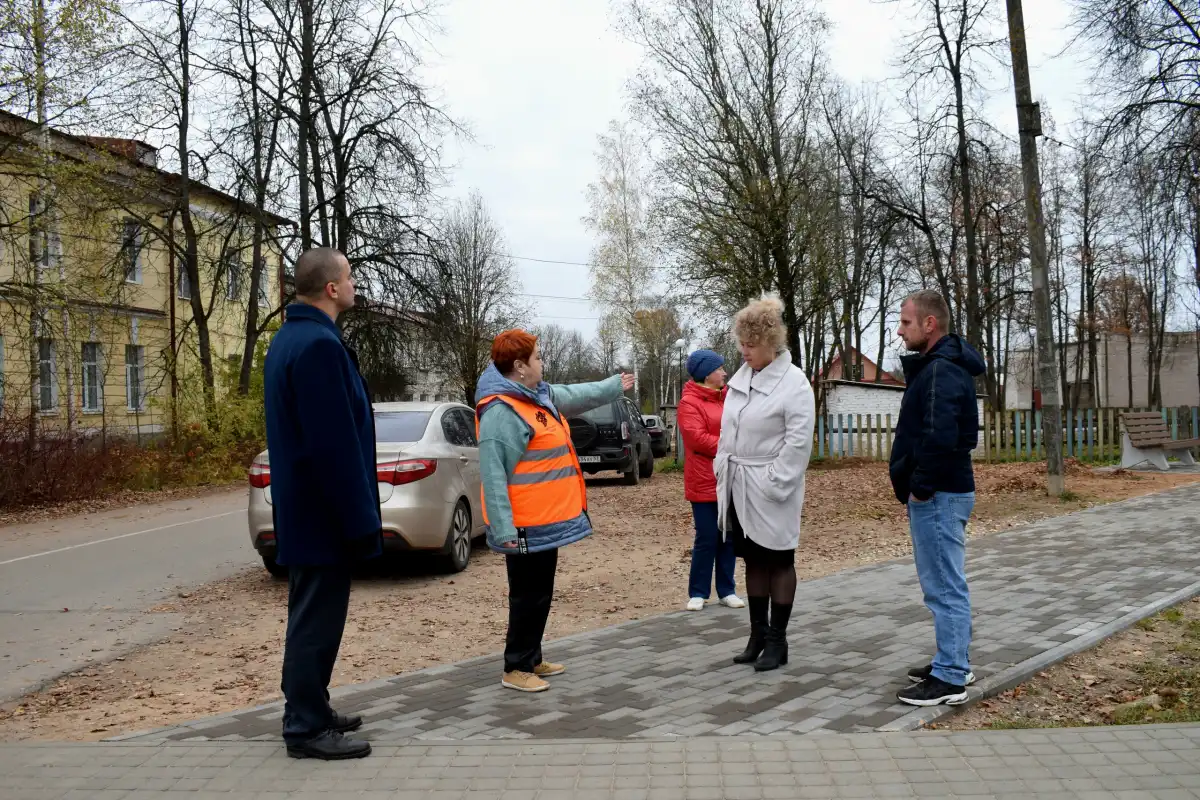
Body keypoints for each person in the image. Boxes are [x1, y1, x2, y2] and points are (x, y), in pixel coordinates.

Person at [263, 247, 380, 760]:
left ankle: (310, 706)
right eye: (350, 277)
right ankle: (305, 728)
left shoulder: (293, 339)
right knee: (316, 621)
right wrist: (359, 522)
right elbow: (333, 446)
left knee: (311, 617)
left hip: (308, 511)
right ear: (331, 288)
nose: (355, 284)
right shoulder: (317, 347)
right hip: (322, 516)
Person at [475, 330, 635, 693]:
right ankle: (515, 667)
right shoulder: (502, 411)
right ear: (519, 366)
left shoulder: (537, 397)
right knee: (527, 596)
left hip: (544, 523)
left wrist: (613, 385)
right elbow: (494, 476)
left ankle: (531, 657)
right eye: (538, 358)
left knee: (540, 593)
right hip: (523, 527)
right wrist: (503, 531)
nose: (542, 364)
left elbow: (579, 395)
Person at [889, 289, 986, 707]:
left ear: (930, 324)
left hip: (940, 493)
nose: (899, 329)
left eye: (906, 322)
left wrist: (921, 485)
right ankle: (953, 660)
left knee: (944, 585)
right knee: (943, 583)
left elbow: (944, 434)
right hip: (942, 490)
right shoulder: (939, 367)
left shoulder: (942, 371)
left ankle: (950, 677)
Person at [716, 295, 815, 672]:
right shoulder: (741, 380)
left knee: (778, 559)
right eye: (741, 343)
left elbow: (798, 440)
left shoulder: (794, 384)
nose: (744, 351)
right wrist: (721, 468)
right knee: (753, 559)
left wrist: (777, 482)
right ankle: (756, 635)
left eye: (751, 344)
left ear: (771, 343)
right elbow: (730, 430)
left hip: (773, 486)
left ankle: (778, 639)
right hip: (739, 484)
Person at [678, 349, 742, 612]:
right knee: (707, 536)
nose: (725, 372)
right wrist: (731, 447)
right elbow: (696, 439)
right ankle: (698, 592)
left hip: (730, 478)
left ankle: (727, 590)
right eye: (720, 368)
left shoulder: (729, 398)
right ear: (707, 373)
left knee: (728, 536)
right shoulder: (689, 403)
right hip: (704, 480)